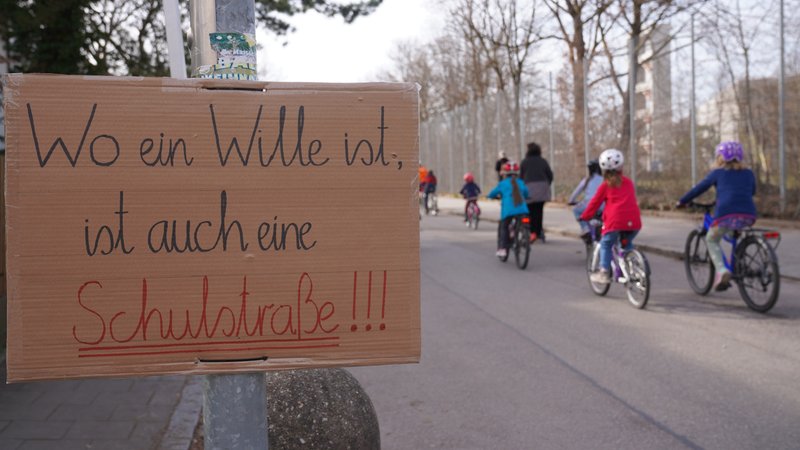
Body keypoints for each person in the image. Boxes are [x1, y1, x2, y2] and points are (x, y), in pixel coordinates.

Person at [676, 141, 757, 291]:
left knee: (711, 239)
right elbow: (752, 191)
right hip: (748, 214)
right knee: (733, 231)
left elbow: (699, 189)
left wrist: (682, 201)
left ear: (720, 157)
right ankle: (737, 262)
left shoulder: (718, 173)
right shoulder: (749, 173)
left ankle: (722, 270)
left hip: (725, 213)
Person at [580, 148, 641, 284]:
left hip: (615, 222)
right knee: (626, 243)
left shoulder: (605, 186)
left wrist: (585, 216)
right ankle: (634, 268)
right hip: (634, 221)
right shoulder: (629, 182)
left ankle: (604, 273)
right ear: (621, 167)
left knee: (606, 244)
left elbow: (594, 203)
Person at [488, 161, 530, 258]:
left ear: (505, 173)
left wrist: (490, 196)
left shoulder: (503, 183)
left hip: (508, 211)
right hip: (522, 209)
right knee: (524, 221)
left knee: (504, 226)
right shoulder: (521, 182)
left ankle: (502, 248)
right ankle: (524, 238)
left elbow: (492, 193)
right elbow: (526, 193)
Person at [520, 142, 553, 242]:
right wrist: (546, 184)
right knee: (539, 211)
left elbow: (521, 177)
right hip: (542, 187)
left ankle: (531, 231)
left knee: (529, 211)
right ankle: (538, 232)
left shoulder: (524, 162)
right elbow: (550, 175)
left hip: (529, 188)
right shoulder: (543, 161)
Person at [568, 159, 603, 243]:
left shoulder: (587, 180)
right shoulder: (605, 179)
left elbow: (576, 192)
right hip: (603, 205)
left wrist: (571, 201)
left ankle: (585, 228)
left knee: (576, 210)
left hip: (589, 205)